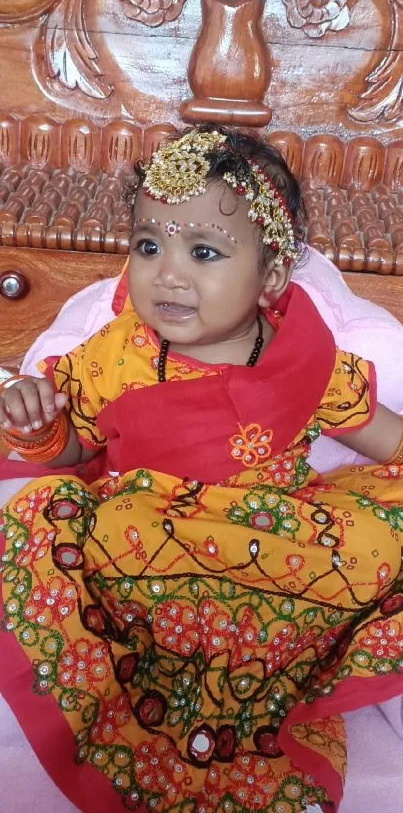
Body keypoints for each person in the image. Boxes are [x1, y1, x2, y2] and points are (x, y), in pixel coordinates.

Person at [1, 125, 403, 813]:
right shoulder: (116, 352)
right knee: (45, 515)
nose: (168, 274)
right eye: (148, 245)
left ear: (270, 273)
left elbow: (388, 441)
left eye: (205, 251)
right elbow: (74, 450)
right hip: (152, 552)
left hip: (270, 556)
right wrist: (40, 429)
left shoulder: (310, 362)